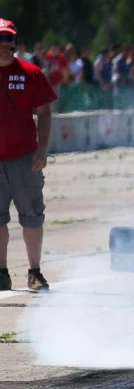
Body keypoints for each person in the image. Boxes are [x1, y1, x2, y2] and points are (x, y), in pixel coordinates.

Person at [0, 19, 57, 290]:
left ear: (15, 42)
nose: (2, 45)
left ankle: (34, 271)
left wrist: (42, 150)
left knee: (32, 216)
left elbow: (44, 114)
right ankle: (1, 273)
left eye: (7, 39)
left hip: (25, 159)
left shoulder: (30, 73)